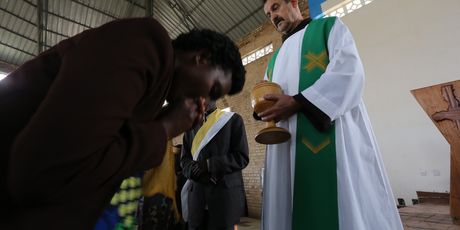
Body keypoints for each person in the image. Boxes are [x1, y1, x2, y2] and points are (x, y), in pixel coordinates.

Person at [0, 17, 245, 229]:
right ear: (202, 58)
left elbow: (106, 150)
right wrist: (165, 128)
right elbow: (40, 170)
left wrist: (163, 123)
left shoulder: (152, 90)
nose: (205, 101)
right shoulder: (146, 43)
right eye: (212, 90)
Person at [258, 0, 403, 229]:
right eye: (268, 15)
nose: (273, 17)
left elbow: (349, 72)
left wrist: (298, 102)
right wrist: (263, 109)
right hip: (289, 146)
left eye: (275, 7)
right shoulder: (274, 60)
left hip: (333, 135)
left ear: (293, 2)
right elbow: (268, 95)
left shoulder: (328, 28)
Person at [180, 100, 249, 230]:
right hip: (196, 199)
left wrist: (209, 165)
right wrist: (195, 173)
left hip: (224, 199)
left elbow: (241, 157)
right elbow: (184, 160)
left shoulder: (233, 120)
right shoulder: (190, 128)